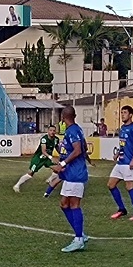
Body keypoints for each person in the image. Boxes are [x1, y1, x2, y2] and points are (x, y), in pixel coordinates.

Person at [51, 106, 89, 252]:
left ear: (62, 117)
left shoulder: (72, 131)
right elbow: (84, 147)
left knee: (73, 205)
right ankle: (80, 235)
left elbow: (78, 149)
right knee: (64, 204)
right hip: (72, 173)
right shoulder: (77, 129)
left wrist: (62, 164)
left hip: (75, 174)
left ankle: (79, 238)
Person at [108, 105, 133, 220]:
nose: (122, 115)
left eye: (125, 113)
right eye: (121, 112)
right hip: (121, 162)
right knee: (111, 185)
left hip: (129, 163)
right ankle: (122, 209)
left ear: (130, 115)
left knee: (130, 187)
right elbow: (123, 144)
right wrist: (118, 153)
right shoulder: (122, 128)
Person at [13, 126, 59, 193]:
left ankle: (49, 180)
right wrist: (51, 157)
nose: (52, 132)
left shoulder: (56, 139)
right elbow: (43, 151)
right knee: (30, 173)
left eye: (54, 130)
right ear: (48, 131)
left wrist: (61, 155)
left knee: (57, 169)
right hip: (39, 158)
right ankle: (17, 186)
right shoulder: (44, 139)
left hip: (47, 158)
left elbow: (57, 147)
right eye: (51, 130)